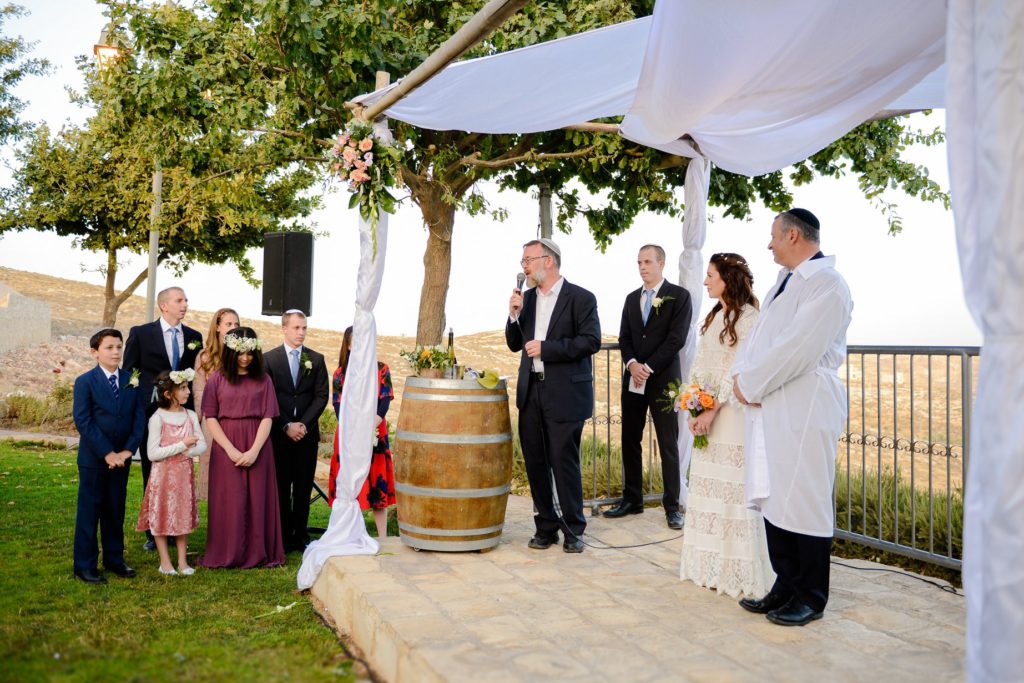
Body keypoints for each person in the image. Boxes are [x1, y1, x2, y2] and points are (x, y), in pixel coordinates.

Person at [731, 208, 853, 626]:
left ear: (795, 236)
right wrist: (742, 375)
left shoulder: (827, 285)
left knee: (805, 497)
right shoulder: (785, 282)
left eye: (774, 236)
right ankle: (785, 584)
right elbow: (765, 340)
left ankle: (811, 595)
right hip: (773, 403)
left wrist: (750, 384)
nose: (769, 244)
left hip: (804, 402)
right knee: (774, 495)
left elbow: (799, 347)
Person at [679, 252, 775, 597]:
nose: (704, 281)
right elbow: (702, 365)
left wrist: (712, 409)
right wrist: (692, 405)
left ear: (726, 278)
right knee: (708, 488)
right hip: (707, 413)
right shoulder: (716, 314)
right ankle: (709, 566)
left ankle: (738, 570)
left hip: (732, 414)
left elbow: (738, 368)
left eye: (710, 275)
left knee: (733, 490)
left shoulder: (750, 318)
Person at [506, 238, 601, 553]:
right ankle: (545, 526)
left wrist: (548, 349)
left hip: (565, 393)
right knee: (535, 461)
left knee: (564, 462)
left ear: (548, 260)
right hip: (531, 390)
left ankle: (574, 529)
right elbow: (514, 343)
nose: (524, 266)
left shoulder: (581, 298)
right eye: (523, 262)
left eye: (528, 260)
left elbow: (590, 341)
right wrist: (514, 316)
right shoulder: (527, 299)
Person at [604, 244, 691, 529]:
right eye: (639, 262)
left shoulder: (679, 296)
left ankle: (672, 506)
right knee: (630, 438)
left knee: (668, 442)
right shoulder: (631, 299)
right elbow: (625, 337)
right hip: (634, 379)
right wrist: (632, 364)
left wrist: (648, 367)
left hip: (664, 380)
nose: (642, 267)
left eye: (648, 262)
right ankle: (632, 499)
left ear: (661, 263)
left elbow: (676, 339)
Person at [123, 286, 202, 551]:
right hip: (151, 414)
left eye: (186, 299)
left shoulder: (194, 336)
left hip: (181, 415)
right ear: (164, 305)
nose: (185, 304)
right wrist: (136, 408)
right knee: (154, 470)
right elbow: (130, 374)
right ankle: (154, 529)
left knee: (180, 468)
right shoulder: (141, 333)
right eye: (180, 300)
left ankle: (178, 525)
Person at [199, 327, 285, 569]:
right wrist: (231, 450)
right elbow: (211, 417)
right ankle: (228, 551)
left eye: (249, 353)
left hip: (258, 444)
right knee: (230, 500)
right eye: (240, 353)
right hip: (226, 444)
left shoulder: (264, 379)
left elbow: (268, 416)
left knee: (258, 499)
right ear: (230, 352)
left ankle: (259, 551)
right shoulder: (217, 379)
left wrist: (255, 450)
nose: (245, 358)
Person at [71, 328, 145, 584]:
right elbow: (84, 421)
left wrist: (126, 451)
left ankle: (114, 558)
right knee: (90, 511)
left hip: (122, 458)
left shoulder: (132, 379)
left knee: (115, 509)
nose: (116, 352)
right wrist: (107, 452)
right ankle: (84, 565)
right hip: (94, 459)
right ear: (95, 353)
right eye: (109, 347)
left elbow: (138, 419)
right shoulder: (85, 382)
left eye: (119, 346)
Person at [264, 310, 330, 552]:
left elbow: (321, 395)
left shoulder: (317, 359)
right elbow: (268, 397)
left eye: (304, 328)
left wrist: (303, 424)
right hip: (279, 435)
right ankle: (281, 536)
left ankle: (300, 535)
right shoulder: (269, 360)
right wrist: (285, 426)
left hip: (306, 435)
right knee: (281, 487)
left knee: (303, 487)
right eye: (296, 328)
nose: (301, 332)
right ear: (284, 328)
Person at [326, 326, 396, 537]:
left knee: (377, 480)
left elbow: (384, 402)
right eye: (355, 341)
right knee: (347, 482)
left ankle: (382, 535)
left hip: (374, 430)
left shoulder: (382, 369)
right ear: (347, 345)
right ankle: (347, 533)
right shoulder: (340, 374)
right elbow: (338, 406)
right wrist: (354, 430)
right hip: (348, 434)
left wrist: (369, 427)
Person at [136, 370, 205, 576]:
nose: (188, 392)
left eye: (187, 387)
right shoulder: (157, 418)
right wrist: (182, 445)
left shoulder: (190, 416)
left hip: (184, 476)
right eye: (182, 388)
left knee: (182, 515)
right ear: (168, 394)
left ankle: (183, 562)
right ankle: (165, 562)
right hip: (163, 476)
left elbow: (201, 445)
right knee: (161, 516)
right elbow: (152, 453)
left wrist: (189, 450)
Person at [192, 307, 240, 501]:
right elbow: (199, 392)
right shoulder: (205, 356)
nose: (233, 328)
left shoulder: (243, 356)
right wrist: (199, 422)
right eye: (228, 324)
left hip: (237, 421)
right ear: (218, 327)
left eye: (236, 324)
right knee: (213, 470)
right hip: (212, 422)